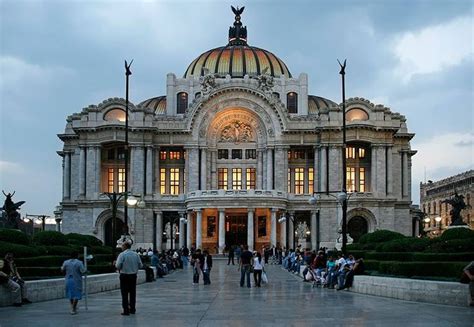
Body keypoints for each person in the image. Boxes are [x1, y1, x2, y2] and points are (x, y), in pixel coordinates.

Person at [115, 241, 143, 316]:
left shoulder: (122, 255)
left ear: (125, 247)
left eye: (122, 246)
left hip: (124, 275)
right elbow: (140, 265)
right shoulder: (136, 254)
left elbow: (118, 266)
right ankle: (133, 309)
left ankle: (126, 310)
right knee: (132, 293)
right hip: (133, 276)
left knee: (124, 293)